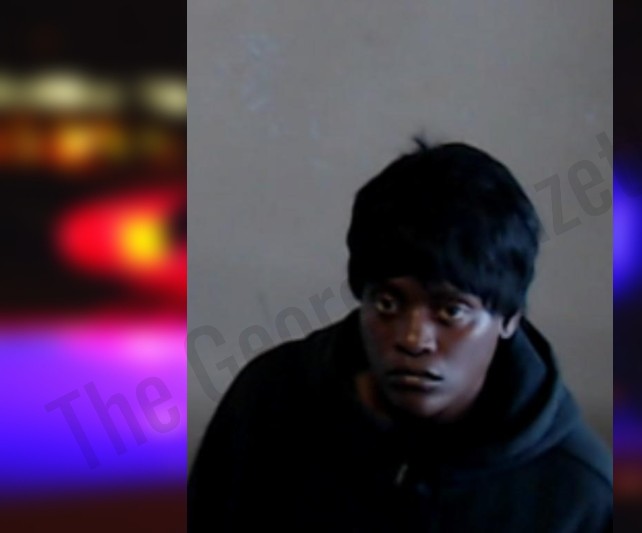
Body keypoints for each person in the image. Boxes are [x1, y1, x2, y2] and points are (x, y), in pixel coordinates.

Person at [188, 139, 612, 532]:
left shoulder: (576, 492)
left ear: (509, 318)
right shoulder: (270, 401)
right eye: (389, 304)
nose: (413, 339)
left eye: (450, 311)